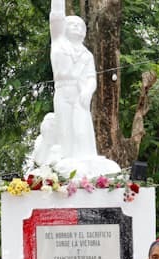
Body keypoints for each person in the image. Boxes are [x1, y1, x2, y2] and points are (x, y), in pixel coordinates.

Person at [49, 0, 97, 160]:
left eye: (79, 25)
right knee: (65, 129)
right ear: (64, 27)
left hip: (80, 94)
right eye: (72, 24)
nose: (76, 27)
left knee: (82, 130)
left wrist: (88, 92)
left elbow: (91, 77)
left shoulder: (87, 55)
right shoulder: (58, 42)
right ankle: (65, 160)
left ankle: (85, 160)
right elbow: (56, 15)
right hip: (63, 91)